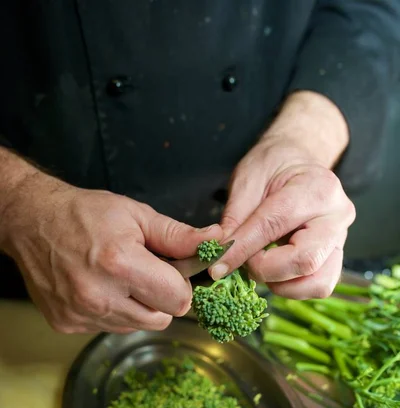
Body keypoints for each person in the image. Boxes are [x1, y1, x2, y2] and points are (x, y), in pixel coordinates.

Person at [0, 1, 399, 334]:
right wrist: (16, 202)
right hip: (32, 279)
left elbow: (368, 11)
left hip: (261, 192)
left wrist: (303, 141)